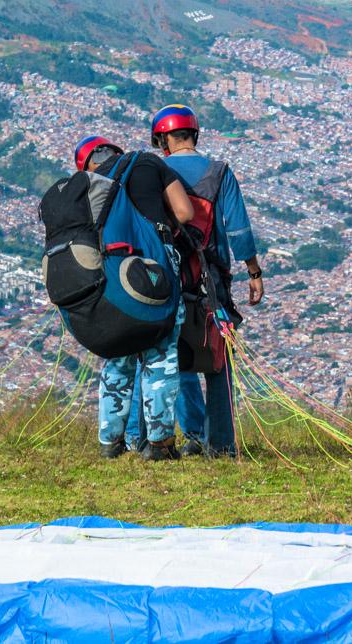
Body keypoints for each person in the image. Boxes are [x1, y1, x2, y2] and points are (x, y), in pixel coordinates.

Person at [150, 104, 264, 457]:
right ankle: (222, 444)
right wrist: (254, 271)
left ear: (163, 140)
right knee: (218, 359)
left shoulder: (154, 171)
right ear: (194, 135)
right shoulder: (219, 173)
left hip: (167, 278)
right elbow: (239, 228)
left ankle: (194, 435)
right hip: (212, 280)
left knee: (177, 355)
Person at [74, 134, 194, 461]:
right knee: (161, 353)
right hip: (153, 270)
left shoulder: (87, 185)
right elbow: (184, 213)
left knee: (118, 357)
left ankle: (110, 443)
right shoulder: (147, 162)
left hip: (110, 275)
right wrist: (158, 229)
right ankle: (159, 444)